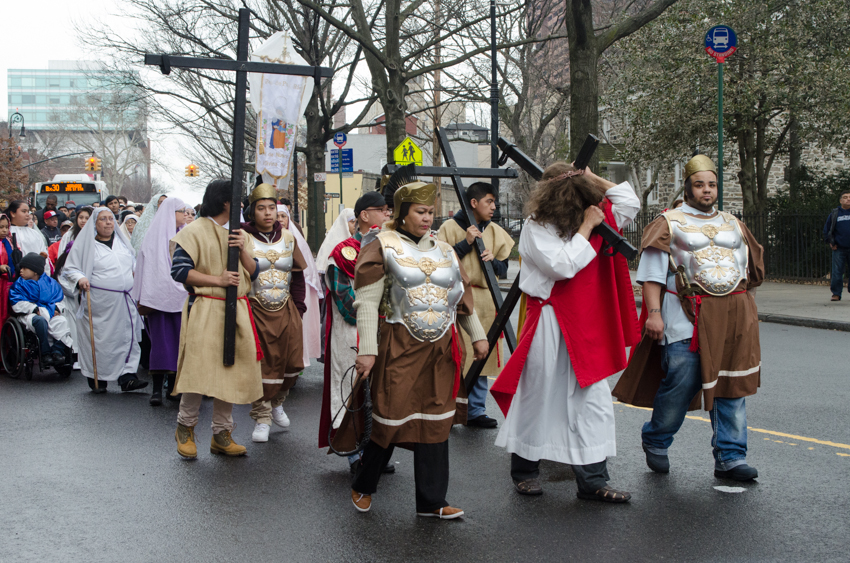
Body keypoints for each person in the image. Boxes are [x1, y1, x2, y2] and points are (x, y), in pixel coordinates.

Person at [342, 167, 488, 519]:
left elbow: (458, 299)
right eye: (421, 212)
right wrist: (367, 351)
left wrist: (478, 335)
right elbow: (367, 301)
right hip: (398, 346)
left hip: (439, 349)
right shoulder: (382, 246)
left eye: (430, 212)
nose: (428, 217)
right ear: (404, 211)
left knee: (436, 422)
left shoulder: (445, 251)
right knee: (390, 421)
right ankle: (364, 484)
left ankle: (432, 502)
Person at [492, 161, 641, 502]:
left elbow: (629, 200)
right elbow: (562, 266)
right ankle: (525, 471)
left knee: (593, 401)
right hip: (550, 320)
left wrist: (591, 177)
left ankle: (593, 480)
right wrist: (588, 226)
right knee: (539, 395)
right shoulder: (536, 227)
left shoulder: (598, 220)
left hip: (584, 322)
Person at [613, 154, 765, 482]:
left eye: (711, 184)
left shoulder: (733, 223)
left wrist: (750, 315)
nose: (707, 190)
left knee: (732, 385)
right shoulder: (669, 222)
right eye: (700, 184)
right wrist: (654, 314)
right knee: (681, 382)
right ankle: (656, 436)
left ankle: (730, 456)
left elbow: (746, 272)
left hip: (734, 317)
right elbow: (652, 274)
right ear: (689, 186)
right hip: (686, 317)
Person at [170, 180, 262, 459]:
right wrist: (218, 280)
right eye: (239, 200)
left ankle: (222, 433)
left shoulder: (240, 234)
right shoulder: (194, 231)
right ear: (226, 203)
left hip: (239, 308)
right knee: (199, 370)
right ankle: (185, 428)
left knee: (230, 372)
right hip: (207, 306)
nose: (243, 205)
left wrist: (241, 248)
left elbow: (255, 271)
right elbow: (180, 271)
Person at [318, 192, 392, 473]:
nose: (388, 215)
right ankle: (352, 453)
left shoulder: (392, 248)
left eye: (389, 211)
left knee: (381, 392)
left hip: (385, 329)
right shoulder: (343, 253)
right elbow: (344, 300)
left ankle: (374, 452)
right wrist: (371, 319)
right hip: (353, 331)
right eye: (382, 210)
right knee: (351, 388)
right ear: (364, 215)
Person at [437, 182, 513, 428]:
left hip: (485, 297)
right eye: (489, 201)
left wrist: (493, 262)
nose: (494, 207)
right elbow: (439, 263)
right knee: (456, 354)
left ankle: (475, 410)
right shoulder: (449, 228)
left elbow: (504, 268)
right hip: (456, 298)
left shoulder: (494, 230)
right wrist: (465, 243)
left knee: (482, 355)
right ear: (474, 203)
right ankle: (448, 409)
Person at [240, 184, 307, 443]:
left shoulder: (288, 237)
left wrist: (299, 307)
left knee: (290, 362)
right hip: (256, 307)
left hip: (286, 307)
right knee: (262, 364)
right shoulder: (243, 237)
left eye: (271, 208)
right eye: (261, 208)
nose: (268, 214)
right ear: (252, 211)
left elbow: (298, 272)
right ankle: (262, 416)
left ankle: (278, 402)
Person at [60, 208, 147, 394]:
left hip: (125, 300)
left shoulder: (122, 244)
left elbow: (133, 263)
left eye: (111, 219)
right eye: (103, 219)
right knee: (101, 340)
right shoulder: (85, 245)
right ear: (95, 223)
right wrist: (80, 279)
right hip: (100, 304)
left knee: (127, 337)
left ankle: (128, 376)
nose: (108, 222)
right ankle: (97, 376)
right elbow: (70, 269)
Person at [132, 197, 190, 406]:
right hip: (158, 300)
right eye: (180, 210)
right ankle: (156, 390)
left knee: (179, 344)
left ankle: (174, 387)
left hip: (181, 299)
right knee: (160, 346)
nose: (185, 214)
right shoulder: (153, 238)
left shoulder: (185, 236)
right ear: (169, 213)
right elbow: (147, 270)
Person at [10, 253, 74, 367]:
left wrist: (57, 308)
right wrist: (34, 308)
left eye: (25, 268)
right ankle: (45, 353)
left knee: (62, 322)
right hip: (28, 315)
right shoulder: (19, 284)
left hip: (50, 312)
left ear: (35, 271)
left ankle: (57, 352)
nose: (21, 270)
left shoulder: (51, 283)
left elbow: (60, 299)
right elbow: (16, 302)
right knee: (40, 321)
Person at [280, 204, 322, 370]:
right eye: (277, 217)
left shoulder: (295, 239)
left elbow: (304, 270)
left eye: (283, 216)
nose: (280, 220)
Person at [823, 191, 850, 301]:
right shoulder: (835, 214)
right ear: (840, 200)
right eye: (845, 197)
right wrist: (831, 242)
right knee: (837, 272)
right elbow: (827, 229)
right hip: (839, 247)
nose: (848, 199)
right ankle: (836, 293)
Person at [8, 201, 49, 274]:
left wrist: (45, 274)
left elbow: (43, 254)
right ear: (13, 213)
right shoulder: (7, 233)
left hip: (35, 276)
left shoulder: (34, 233)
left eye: (28, 211)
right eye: (24, 211)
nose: (28, 215)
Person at [0, 215, 17, 328]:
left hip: (8, 282)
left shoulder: (10, 242)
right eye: (1, 227)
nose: (5, 230)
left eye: (6, 227)